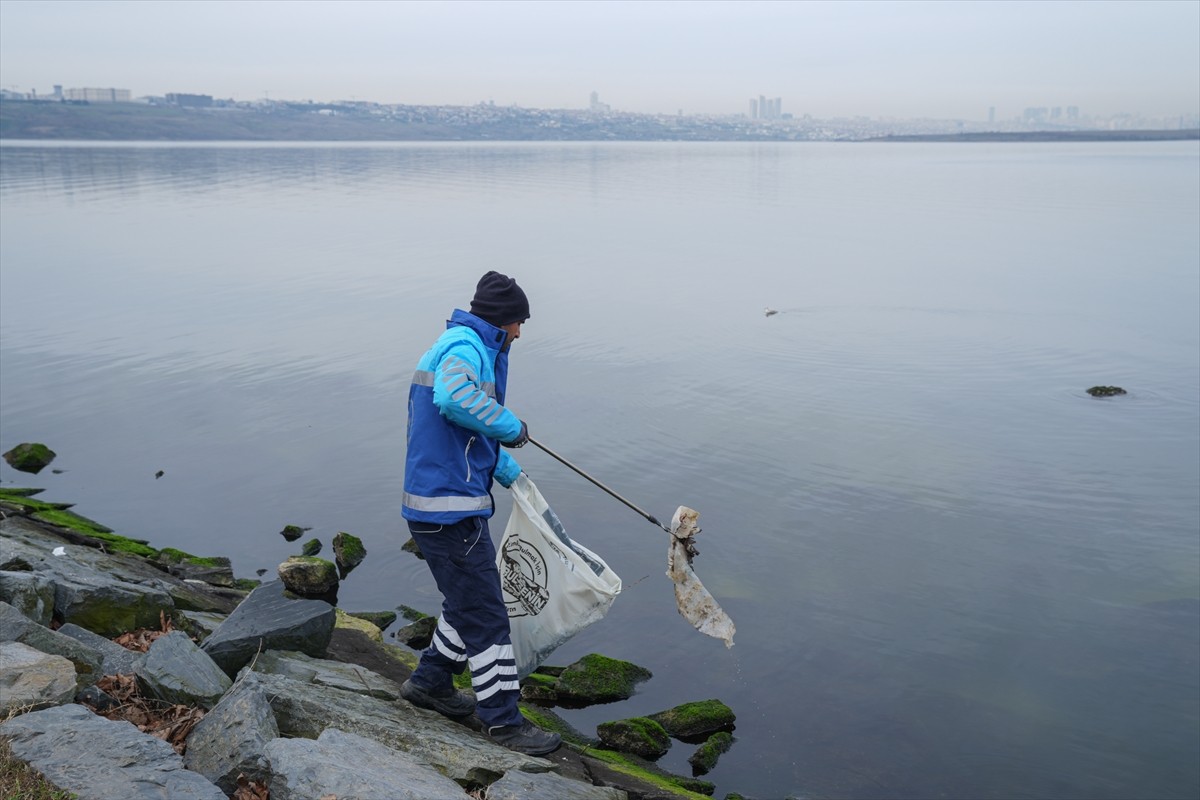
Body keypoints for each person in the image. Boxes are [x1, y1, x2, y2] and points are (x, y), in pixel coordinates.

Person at [399, 271, 562, 756]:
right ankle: (503, 722)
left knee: (466, 600)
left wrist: (508, 469)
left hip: (443, 503)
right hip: (448, 510)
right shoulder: (467, 347)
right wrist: (511, 427)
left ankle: (429, 684)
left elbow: (461, 433)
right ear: (502, 319)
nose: (519, 333)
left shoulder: (464, 343)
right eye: (518, 322)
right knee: (489, 615)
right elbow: (453, 400)